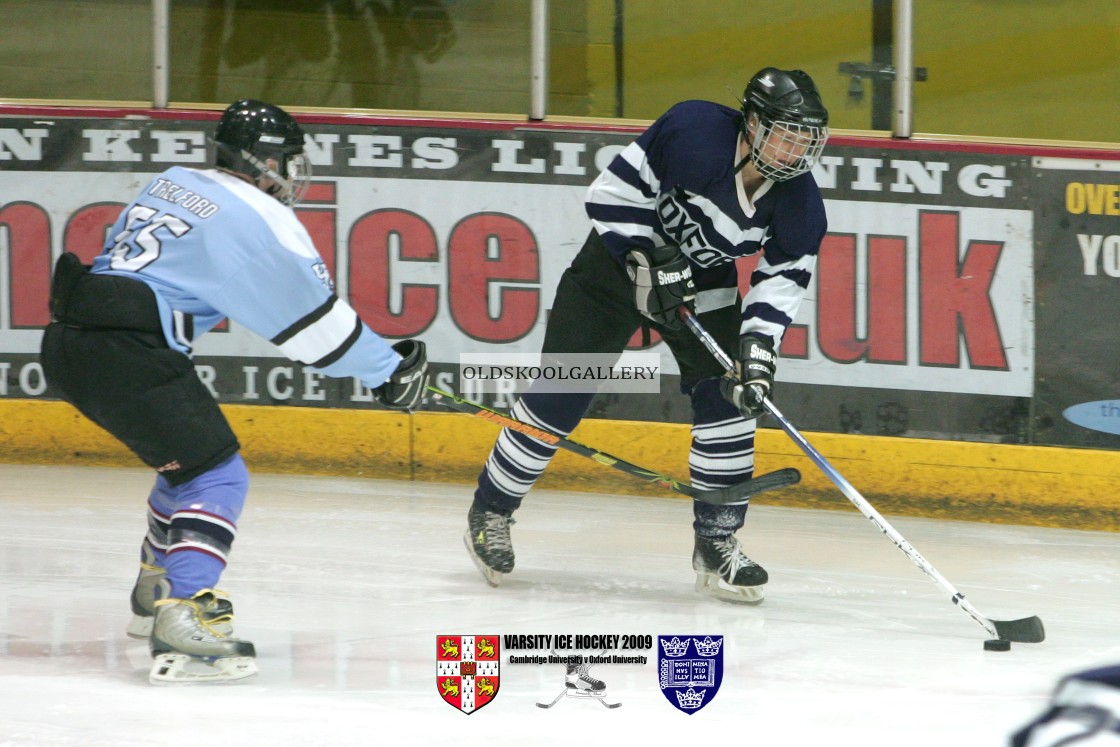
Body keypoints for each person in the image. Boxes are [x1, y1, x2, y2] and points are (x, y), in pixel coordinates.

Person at [39, 99, 429, 684]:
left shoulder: (174, 182)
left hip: (68, 340)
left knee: (185, 463)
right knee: (217, 476)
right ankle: (185, 608)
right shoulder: (263, 221)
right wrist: (389, 373)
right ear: (267, 161)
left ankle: (156, 586)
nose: (296, 175)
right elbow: (316, 329)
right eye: (290, 162)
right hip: (126, 352)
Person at [463, 68, 829, 604]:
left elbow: (783, 280)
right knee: (560, 392)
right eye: (785, 132)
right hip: (616, 268)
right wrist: (646, 258)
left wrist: (757, 350)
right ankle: (491, 510)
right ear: (752, 124)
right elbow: (612, 193)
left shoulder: (800, 203)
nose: (796, 148)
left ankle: (717, 542)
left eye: (806, 137)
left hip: (704, 283)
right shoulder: (695, 129)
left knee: (730, 398)